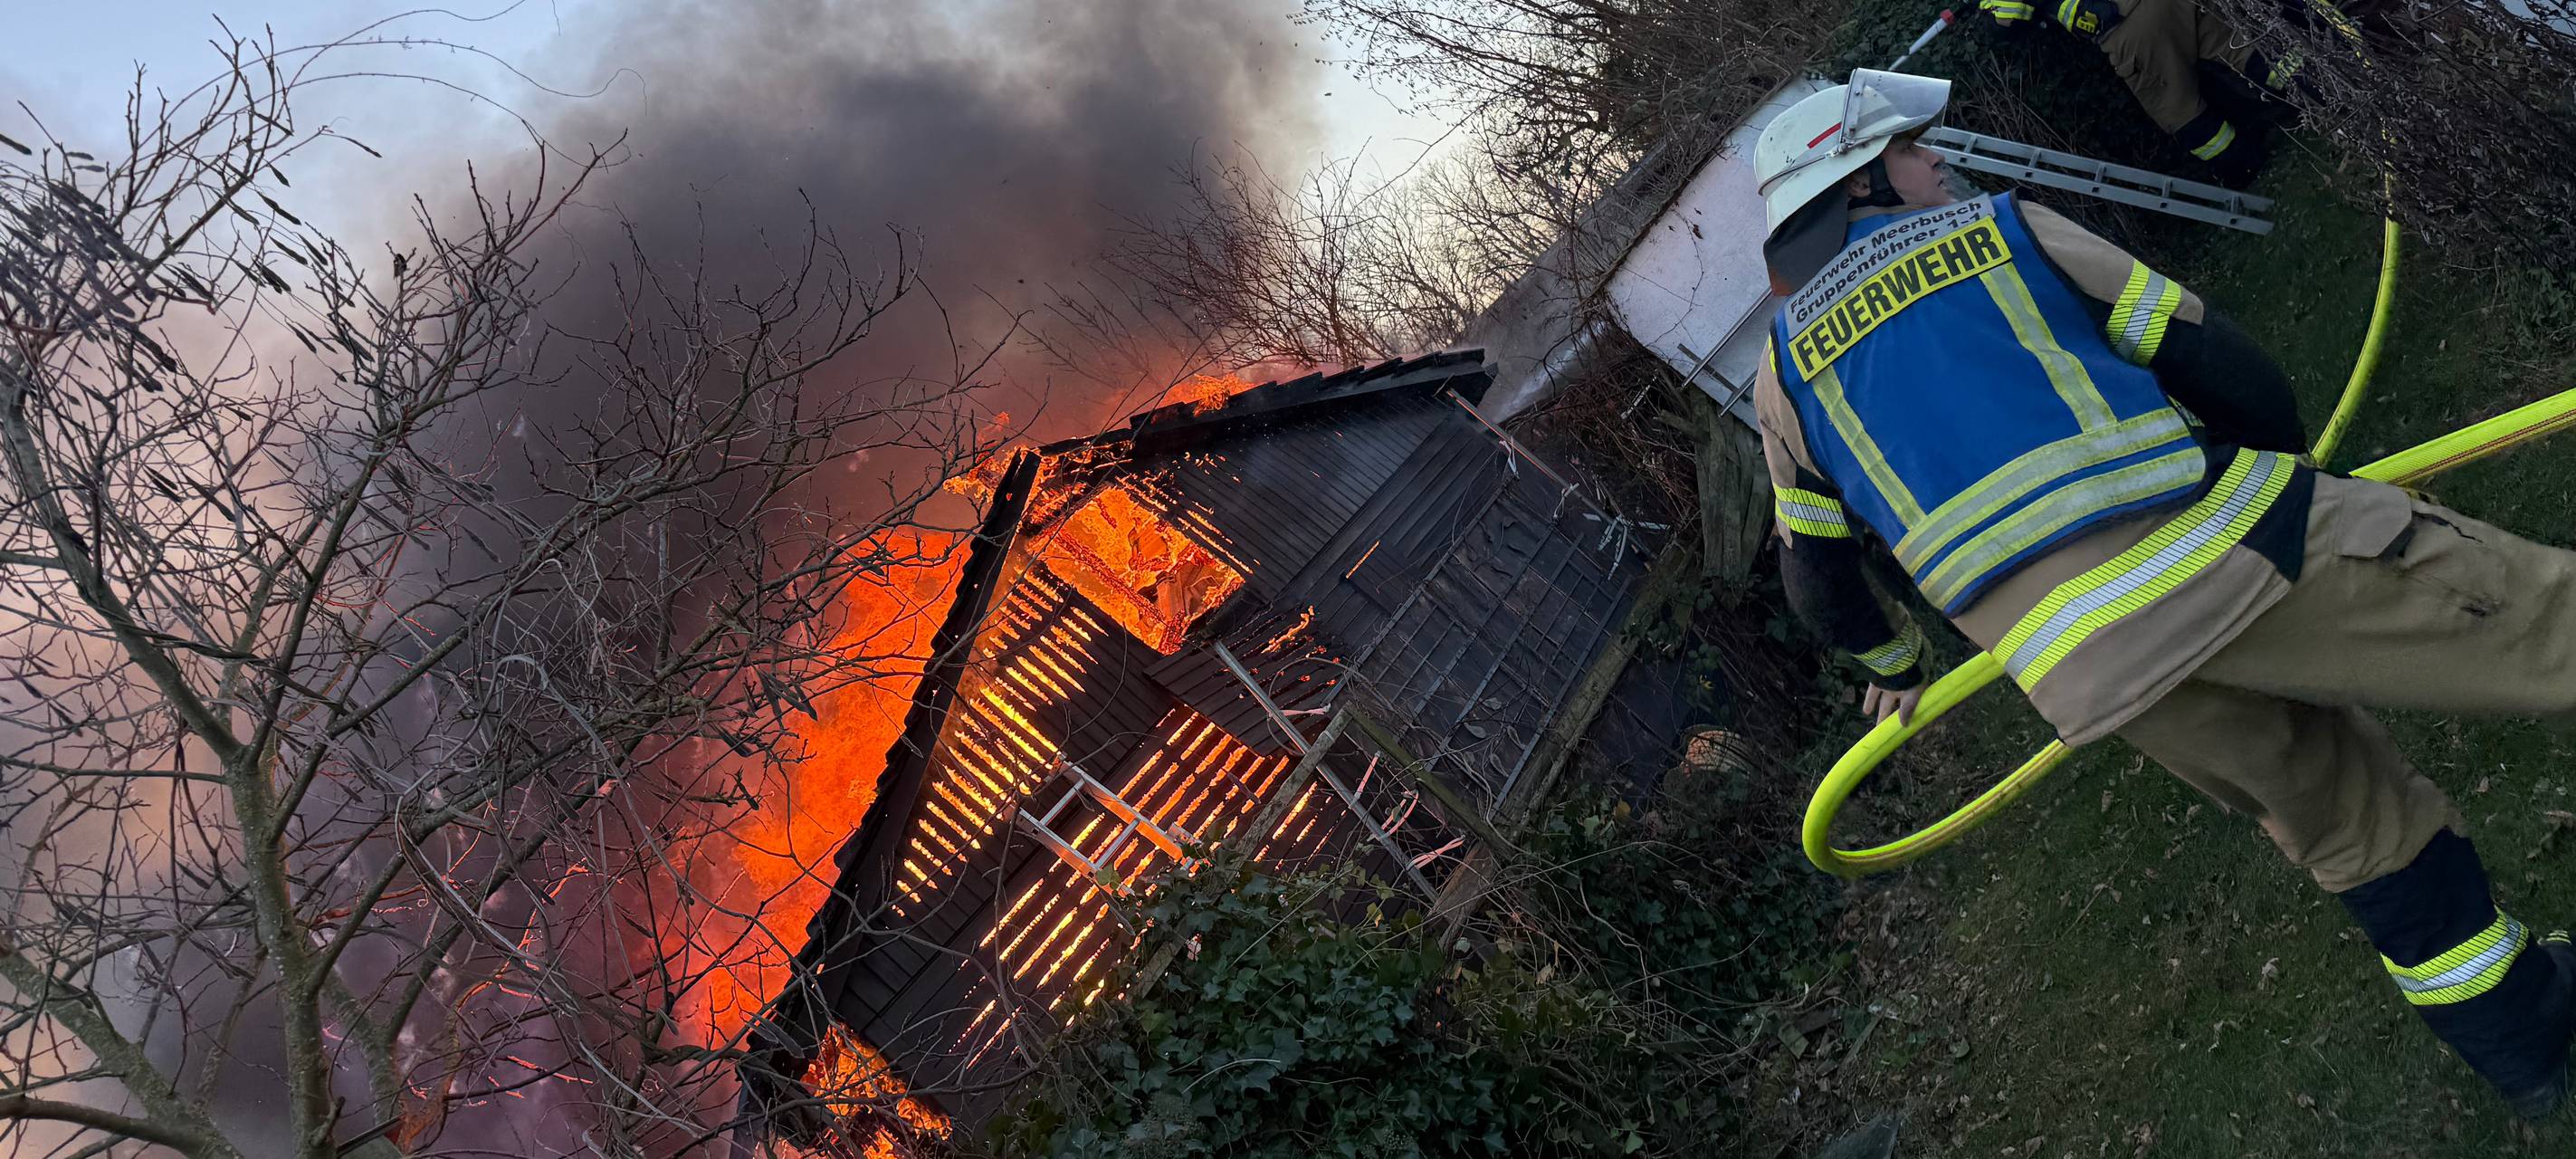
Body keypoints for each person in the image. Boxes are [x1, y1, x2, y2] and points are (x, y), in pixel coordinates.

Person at [1749, 69, 2576, 1116]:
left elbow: (1816, 577)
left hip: (2099, 675)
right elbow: (2220, 363)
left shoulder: (1782, 375)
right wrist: (2298, 488)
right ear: (1860, 178)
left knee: (2349, 828)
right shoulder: (2006, 234)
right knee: (2543, 619)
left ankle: (2524, 1041)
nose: (1935, 162)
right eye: (1913, 152)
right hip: (2238, 557)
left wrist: (1896, 668)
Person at [1977, 0, 2305, 185]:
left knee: (2180, 112)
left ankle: (2245, 167)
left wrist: (1985, 10)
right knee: (2243, 50)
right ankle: (2322, 92)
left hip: (2130, 32)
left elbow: (2007, 20)